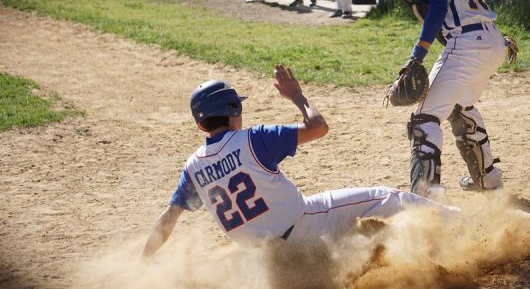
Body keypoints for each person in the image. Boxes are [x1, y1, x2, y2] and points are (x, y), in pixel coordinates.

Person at [141, 65, 457, 255]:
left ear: (200, 124)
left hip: (263, 257)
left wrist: (145, 263)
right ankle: (463, 223)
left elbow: (168, 220)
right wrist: (297, 98)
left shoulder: (193, 167)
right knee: (386, 196)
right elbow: (318, 128)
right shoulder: (253, 139)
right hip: (306, 226)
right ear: (234, 110)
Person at [399, 0, 509, 194]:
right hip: (492, 39)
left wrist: (416, 57)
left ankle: (425, 199)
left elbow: (436, 10)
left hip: (467, 45)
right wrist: (496, 37)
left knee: (423, 119)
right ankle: (487, 178)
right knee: (460, 107)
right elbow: (473, 7)